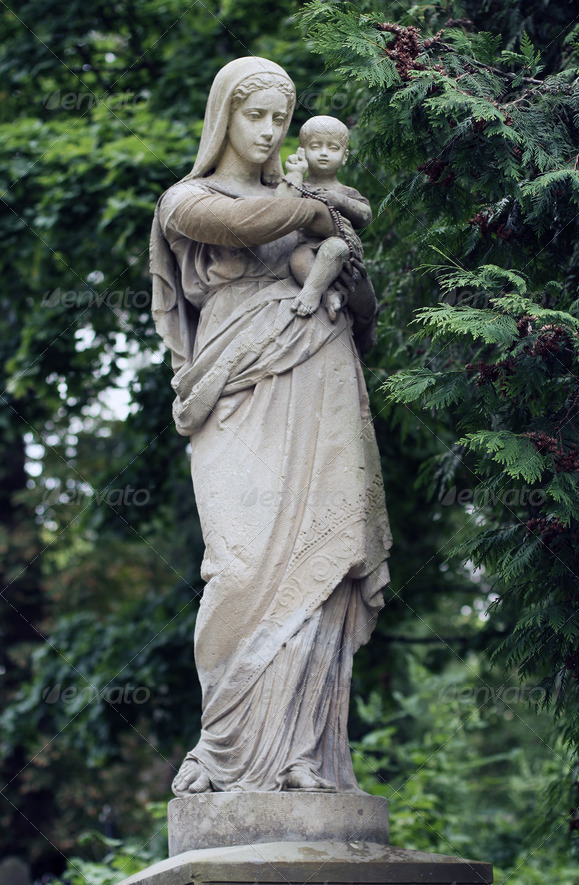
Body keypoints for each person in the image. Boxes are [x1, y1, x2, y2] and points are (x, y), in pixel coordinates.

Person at [150, 57, 391, 795]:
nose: (268, 131)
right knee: (241, 563)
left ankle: (305, 756)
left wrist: (344, 271)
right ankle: (225, 751)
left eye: (279, 119)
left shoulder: (296, 200)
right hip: (233, 384)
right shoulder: (187, 199)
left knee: (322, 563)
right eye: (255, 115)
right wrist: (317, 210)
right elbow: (243, 220)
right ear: (226, 115)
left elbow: (367, 314)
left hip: (318, 365)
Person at [277, 116, 376, 327]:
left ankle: (317, 292)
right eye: (315, 146)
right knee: (298, 257)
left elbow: (365, 216)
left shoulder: (346, 192)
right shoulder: (299, 186)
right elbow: (280, 207)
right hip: (305, 247)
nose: (323, 153)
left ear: (344, 156)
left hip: (341, 251)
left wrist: (338, 200)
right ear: (302, 151)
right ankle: (325, 293)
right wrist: (295, 173)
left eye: (332, 148)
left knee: (336, 247)